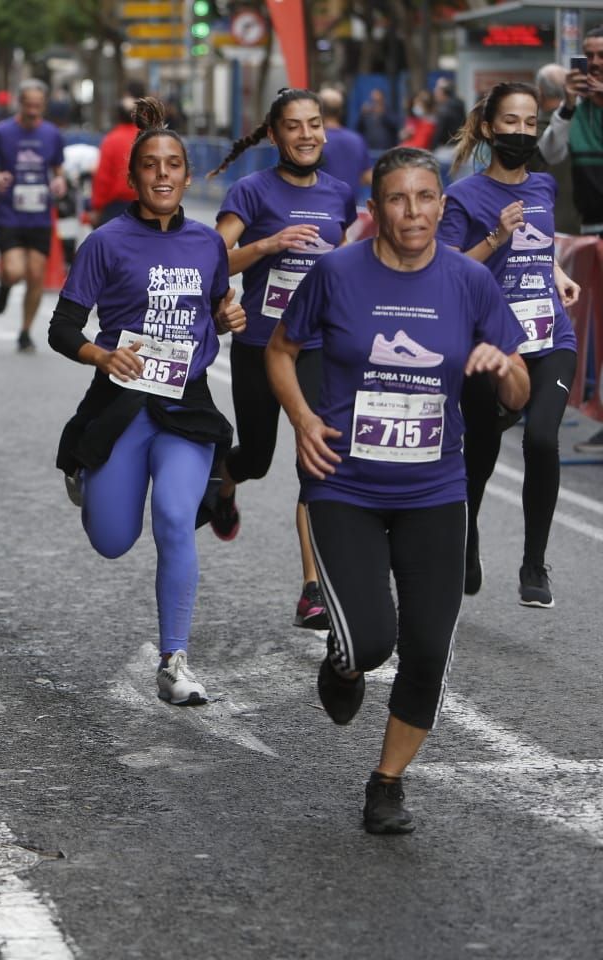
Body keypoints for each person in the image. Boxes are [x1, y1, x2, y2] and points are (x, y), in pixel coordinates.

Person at [266, 147, 529, 834]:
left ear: (442, 205)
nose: (413, 212)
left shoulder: (470, 281)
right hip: (344, 484)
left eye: (425, 197)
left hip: (436, 490)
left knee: (429, 647)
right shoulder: (336, 272)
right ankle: (345, 664)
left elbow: (521, 385)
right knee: (371, 643)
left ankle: (386, 783)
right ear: (377, 208)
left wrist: (504, 368)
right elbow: (280, 350)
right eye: (398, 199)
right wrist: (301, 420)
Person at [49, 97, 246, 707]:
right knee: (112, 539)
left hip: (185, 406)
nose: (163, 175)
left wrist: (227, 313)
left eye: (173, 165)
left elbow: (215, 305)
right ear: (132, 179)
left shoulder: (208, 243)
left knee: (173, 520)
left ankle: (174, 659)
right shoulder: (105, 243)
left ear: (188, 176)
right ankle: (86, 468)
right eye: (151, 166)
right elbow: (63, 329)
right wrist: (102, 356)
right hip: (121, 402)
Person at [207, 88, 357, 630]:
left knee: (314, 461)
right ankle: (225, 479)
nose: (306, 135)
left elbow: (351, 263)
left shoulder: (341, 194)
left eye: (314, 124)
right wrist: (269, 246)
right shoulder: (250, 191)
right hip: (259, 347)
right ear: (273, 135)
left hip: (318, 348)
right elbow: (213, 259)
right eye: (293, 126)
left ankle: (313, 589)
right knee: (258, 458)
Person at [440, 82, 581, 608]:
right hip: (492, 343)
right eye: (512, 123)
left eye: (530, 124)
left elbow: (539, 244)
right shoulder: (464, 197)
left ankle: (533, 564)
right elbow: (450, 273)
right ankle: (467, 538)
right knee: (479, 449)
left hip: (549, 335)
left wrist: (557, 270)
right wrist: (495, 237)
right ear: (487, 128)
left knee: (542, 439)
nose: (522, 132)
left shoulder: (544, 186)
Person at [0, 79, 67, 353]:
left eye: (38, 106)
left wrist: (59, 182)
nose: (33, 111)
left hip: (40, 214)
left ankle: (25, 331)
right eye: (28, 105)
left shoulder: (51, 134)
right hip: (10, 211)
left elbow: (58, 168)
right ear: (19, 103)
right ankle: (6, 286)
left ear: (43, 105)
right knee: (14, 270)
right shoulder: (1, 131)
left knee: (35, 274)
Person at [541, 26, 603, 235]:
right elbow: (549, 153)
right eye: (589, 56)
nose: (595, 62)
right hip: (586, 229)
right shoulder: (573, 109)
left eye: (602, 55)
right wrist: (567, 104)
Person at [533, 64, 581, 235]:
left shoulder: (530, 130)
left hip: (545, 222)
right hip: (581, 221)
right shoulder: (584, 124)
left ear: (540, 91)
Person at [91, 95, 141, 228]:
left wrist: (97, 207)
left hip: (116, 206)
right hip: (145, 204)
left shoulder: (111, 140)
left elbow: (103, 177)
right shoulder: (148, 138)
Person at [318, 88, 371, 197]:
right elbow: (368, 176)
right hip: (350, 207)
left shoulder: (315, 140)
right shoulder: (357, 139)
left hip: (321, 205)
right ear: (341, 111)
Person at [356, 88, 399, 153]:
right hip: (370, 150)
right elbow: (359, 129)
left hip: (386, 150)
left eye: (378, 101)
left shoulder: (389, 112)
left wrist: (383, 114)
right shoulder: (367, 114)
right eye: (373, 100)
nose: (375, 103)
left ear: (383, 99)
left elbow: (395, 125)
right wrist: (362, 115)